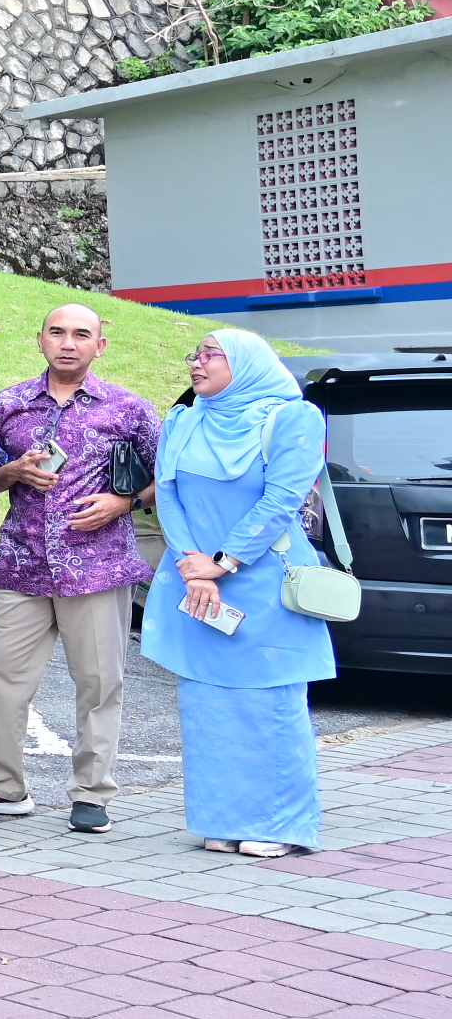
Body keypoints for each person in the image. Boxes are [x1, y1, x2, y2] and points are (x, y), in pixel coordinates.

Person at [144, 328, 335, 856]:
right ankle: (222, 819)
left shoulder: (293, 419)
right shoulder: (183, 419)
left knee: (270, 701)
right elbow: (169, 494)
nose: (197, 363)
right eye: (196, 354)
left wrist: (223, 562)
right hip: (197, 582)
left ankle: (279, 826)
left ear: (246, 364)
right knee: (207, 702)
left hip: (264, 581)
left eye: (212, 355)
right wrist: (193, 565)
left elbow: (281, 500)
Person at [0, 304, 161, 833]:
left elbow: (168, 476)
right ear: (40, 340)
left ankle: (92, 793)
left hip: (98, 566)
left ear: (99, 346)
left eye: (82, 335)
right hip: (23, 563)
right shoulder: (9, 403)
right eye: (57, 333)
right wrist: (13, 472)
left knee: (99, 682)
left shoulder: (130, 410)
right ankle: (2, 786)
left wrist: (125, 502)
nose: (68, 343)